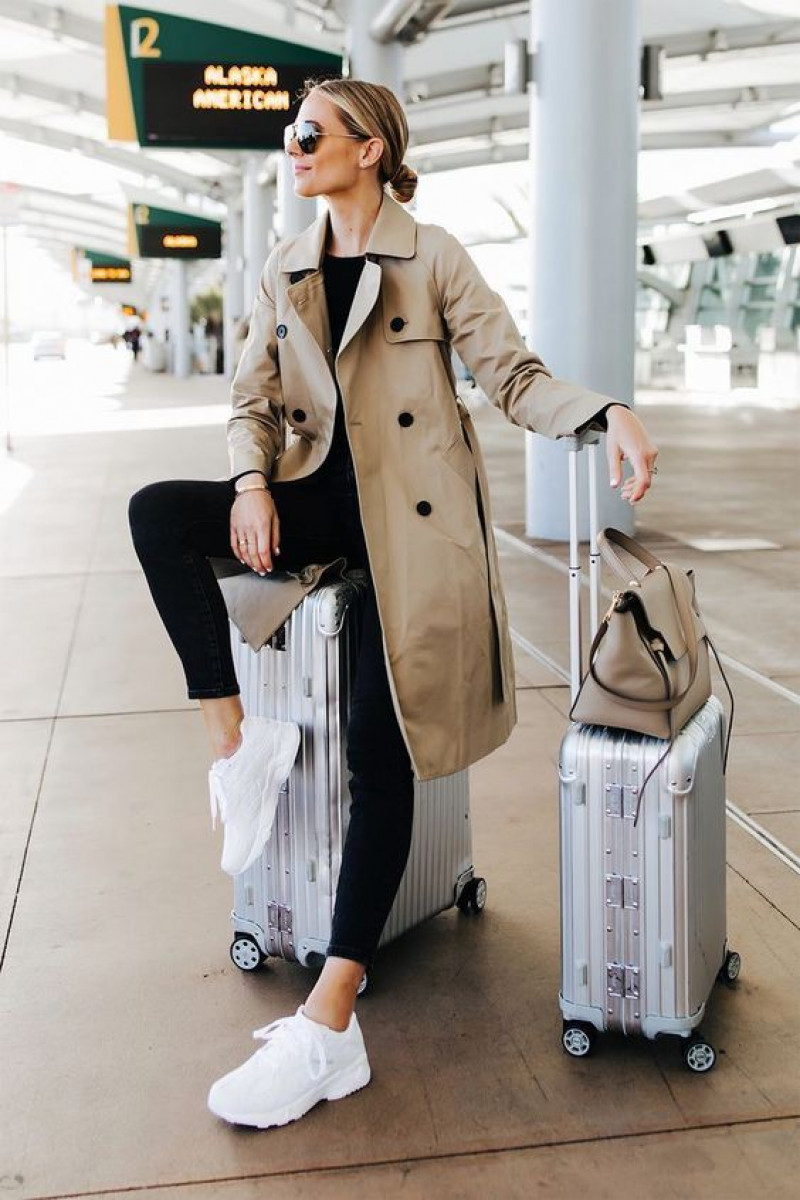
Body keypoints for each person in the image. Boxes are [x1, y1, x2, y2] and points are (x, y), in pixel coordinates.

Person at [128, 76, 658, 1132]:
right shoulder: (283, 267)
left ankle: (330, 1022)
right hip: (316, 511)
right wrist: (245, 485)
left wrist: (606, 412)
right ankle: (236, 747)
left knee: (382, 754)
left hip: (413, 542)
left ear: (370, 149)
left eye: (311, 131)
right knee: (155, 515)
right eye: (290, 133)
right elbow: (251, 402)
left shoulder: (433, 257)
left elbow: (511, 376)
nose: (294, 146)